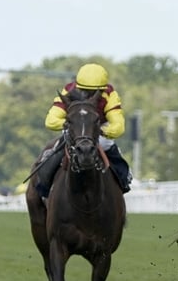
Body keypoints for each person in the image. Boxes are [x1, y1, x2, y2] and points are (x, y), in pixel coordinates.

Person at [35, 63, 132, 198]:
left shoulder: (110, 94)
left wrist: (104, 131)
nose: (90, 94)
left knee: (112, 152)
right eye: (85, 90)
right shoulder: (68, 91)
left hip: (98, 131)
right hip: (74, 130)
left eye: (94, 92)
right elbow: (51, 120)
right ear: (78, 86)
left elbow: (118, 125)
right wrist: (71, 125)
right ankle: (43, 188)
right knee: (54, 154)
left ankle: (124, 181)